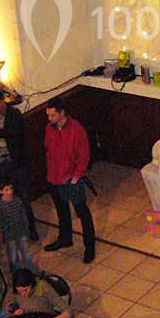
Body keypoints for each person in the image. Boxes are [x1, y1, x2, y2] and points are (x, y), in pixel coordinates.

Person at [43, 98, 96, 264]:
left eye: (52, 115)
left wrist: (76, 176)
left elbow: (84, 154)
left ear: (62, 113)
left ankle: (90, 246)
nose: (49, 119)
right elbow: (47, 150)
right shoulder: (49, 128)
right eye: (48, 115)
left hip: (71, 180)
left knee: (82, 213)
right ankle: (65, 238)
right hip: (54, 178)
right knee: (62, 211)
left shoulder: (76, 129)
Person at [0, 92, 38, 239]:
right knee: (3, 202)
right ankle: (9, 232)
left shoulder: (14, 114)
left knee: (23, 199)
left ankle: (31, 229)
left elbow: (13, 132)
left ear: (2, 102)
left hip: (15, 165)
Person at [0, 177, 38, 272]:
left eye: (11, 188)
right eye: (7, 190)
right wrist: (1, 234)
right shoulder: (0, 206)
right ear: (0, 191)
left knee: (26, 253)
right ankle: (16, 272)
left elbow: (23, 215)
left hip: (21, 232)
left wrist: (26, 229)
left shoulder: (17, 200)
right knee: (13, 256)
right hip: (10, 236)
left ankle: (32, 271)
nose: (10, 192)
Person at [2, 267, 72, 318]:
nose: (23, 294)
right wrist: (14, 310)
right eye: (20, 292)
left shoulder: (43, 287)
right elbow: (6, 308)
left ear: (32, 284)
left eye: (25, 290)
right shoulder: (15, 290)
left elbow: (69, 312)